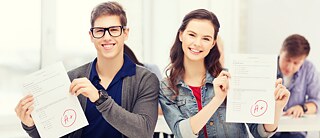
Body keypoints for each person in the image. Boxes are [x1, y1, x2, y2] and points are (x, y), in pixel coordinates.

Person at [15, 2, 159, 138]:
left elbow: (144, 132)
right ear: (91, 36)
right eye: (100, 31)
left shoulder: (145, 80)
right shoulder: (72, 79)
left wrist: (99, 98)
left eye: (114, 30)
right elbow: (58, 134)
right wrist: (31, 125)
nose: (107, 37)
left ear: (125, 33)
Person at [159, 9, 290, 138]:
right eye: (192, 35)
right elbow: (182, 134)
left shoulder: (231, 79)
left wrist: (277, 108)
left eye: (206, 38)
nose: (197, 43)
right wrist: (217, 99)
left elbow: (259, 132)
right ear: (181, 35)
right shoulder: (167, 87)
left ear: (213, 43)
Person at [272, 34, 320, 138]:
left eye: (296, 63)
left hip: (296, 132)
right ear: (281, 51)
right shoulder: (268, 66)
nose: (289, 67)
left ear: (303, 61)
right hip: (271, 131)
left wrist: (302, 108)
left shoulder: (309, 69)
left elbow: (316, 102)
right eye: (287, 59)